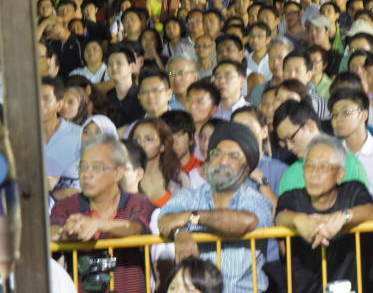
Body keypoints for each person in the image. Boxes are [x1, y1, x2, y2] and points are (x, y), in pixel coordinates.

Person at [157, 122, 275, 293]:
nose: (223, 161)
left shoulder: (256, 200)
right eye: (216, 154)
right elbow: (166, 218)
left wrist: (191, 216)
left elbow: (246, 222)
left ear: (247, 168)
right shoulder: (191, 196)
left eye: (234, 156)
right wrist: (179, 233)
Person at [51, 134, 155, 293]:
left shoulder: (137, 202)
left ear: (118, 173)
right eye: (83, 167)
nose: (87, 174)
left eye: (96, 167)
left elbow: (135, 227)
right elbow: (52, 230)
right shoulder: (67, 206)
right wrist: (67, 231)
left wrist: (97, 224)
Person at [275, 134, 373, 293]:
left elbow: (370, 211)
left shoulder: (353, 190)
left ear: (340, 174)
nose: (314, 173)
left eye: (323, 167)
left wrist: (343, 217)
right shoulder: (292, 197)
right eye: (309, 166)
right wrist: (299, 220)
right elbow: (280, 217)